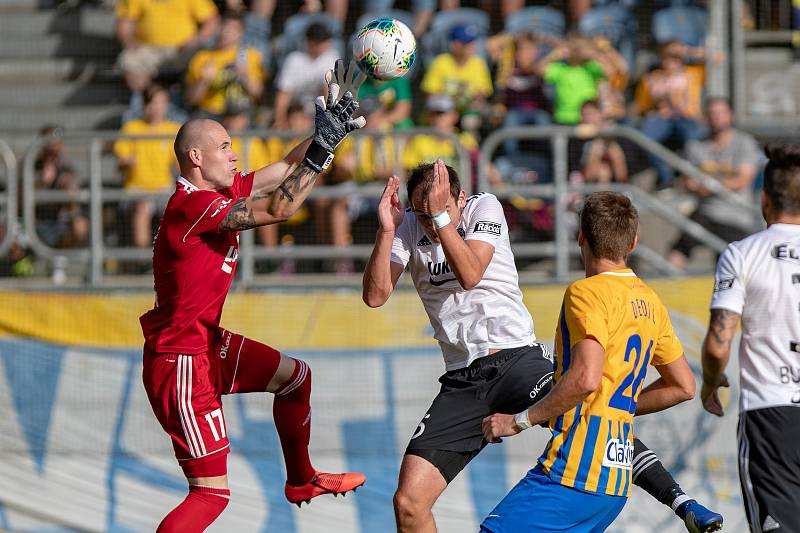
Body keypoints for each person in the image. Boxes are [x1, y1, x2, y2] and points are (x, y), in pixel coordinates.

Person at [363, 165, 723, 533]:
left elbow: (471, 274)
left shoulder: (483, 207)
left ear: (459, 199)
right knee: (408, 503)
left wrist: (440, 218)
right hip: (463, 380)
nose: (427, 223)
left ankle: (681, 502)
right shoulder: (409, 225)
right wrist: (387, 231)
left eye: (436, 211)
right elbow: (375, 296)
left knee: (590, 411)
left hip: (515, 358)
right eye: (420, 214)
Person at [140, 61, 367, 532]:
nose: (234, 154)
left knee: (295, 378)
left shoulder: (215, 193)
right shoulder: (194, 206)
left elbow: (285, 168)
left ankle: (301, 481)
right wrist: (322, 149)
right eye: (224, 147)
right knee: (210, 494)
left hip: (204, 344)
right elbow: (282, 206)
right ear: (196, 158)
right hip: (181, 359)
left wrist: (332, 131)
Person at [481, 192, 705, 532]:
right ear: (633, 242)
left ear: (581, 236)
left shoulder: (585, 293)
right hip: (615, 481)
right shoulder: (649, 299)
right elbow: (684, 387)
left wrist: (519, 421)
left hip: (574, 471)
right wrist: (617, 406)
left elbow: (586, 379)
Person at [701, 144, 800, 533]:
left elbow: (717, 343)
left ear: (763, 198)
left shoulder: (742, 253)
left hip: (770, 415)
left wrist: (711, 381)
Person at [668, 97, 762, 271]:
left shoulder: (744, 142)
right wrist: (704, 186)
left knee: (729, 265)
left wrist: (708, 186)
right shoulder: (696, 146)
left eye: (720, 113)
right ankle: (668, 290)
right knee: (677, 251)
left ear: (730, 115)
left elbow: (743, 179)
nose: (716, 117)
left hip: (736, 215)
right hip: (706, 211)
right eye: (711, 113)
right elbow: (687, 181)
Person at [113, 84, 182, 250]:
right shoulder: (131, 128)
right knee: (142, 207)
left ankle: (173, 256)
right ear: (145, 105)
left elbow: (180, 166)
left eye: (163, 102)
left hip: (164, 189)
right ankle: (144, 257)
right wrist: (126, 162)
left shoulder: (172, 130)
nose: (159, 107)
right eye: (155, 102)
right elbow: (120, 162)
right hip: (136, 189)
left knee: (175, 208)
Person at [115, 0, 219, 94]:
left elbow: (212, 20)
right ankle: (148, 100)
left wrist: (197, 39)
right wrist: (129, 40)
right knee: (129, 59)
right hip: (149, 49)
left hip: (183, 49)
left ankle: (186, 103)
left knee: (202, 61)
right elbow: (125, 24)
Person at [185, 12, 266, 119]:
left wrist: (245, 76)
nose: (226, 32)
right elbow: (191, 100)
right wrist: (203, 81)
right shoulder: (202, 57)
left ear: (240, 33)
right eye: (224, 27)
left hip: (240, 113)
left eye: (232, 29)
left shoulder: (251, 56)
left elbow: (259, 95)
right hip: (210, 113)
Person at [273, 22, 339, 129]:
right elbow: (284, 94)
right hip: (297, 111)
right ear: (310, 42)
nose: (325, 45)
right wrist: (280, 120)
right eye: (321, 42)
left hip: (320, 110)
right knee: (297, 122)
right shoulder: (294, 60)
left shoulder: (331, 58)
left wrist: (328, 120)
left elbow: (328, 92)